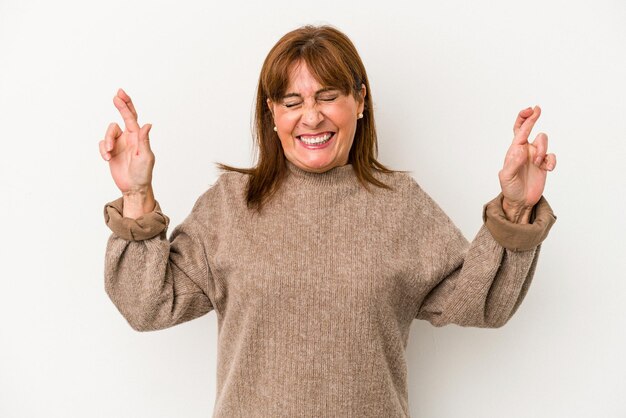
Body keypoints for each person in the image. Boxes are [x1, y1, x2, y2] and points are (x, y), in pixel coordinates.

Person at [98, 25, 556, 417]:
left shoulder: (401, 206)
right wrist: (136, 194)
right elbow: (148, 306)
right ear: (271, 113)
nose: (310, 116)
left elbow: (480, 303)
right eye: (291, 101)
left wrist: (515, 209)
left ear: (359, 101)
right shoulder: (230, 205)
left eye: (328, 96)